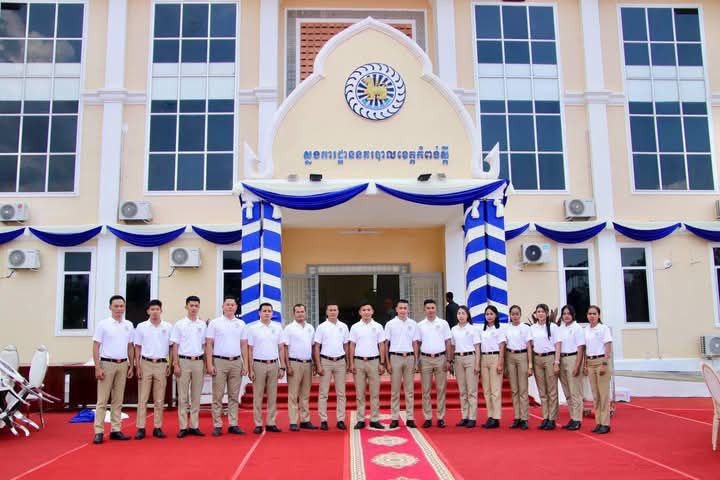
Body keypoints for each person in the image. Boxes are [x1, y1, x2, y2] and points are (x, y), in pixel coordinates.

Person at [92, 295, 134, 444]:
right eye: (116, 306)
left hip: (122, 364)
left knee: (118, 399)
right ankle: (98, 431)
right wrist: (97, 367)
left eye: (121, 306)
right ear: (110, 307)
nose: (119, 309)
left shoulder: (128, 325)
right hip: (107, 364)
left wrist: (131, 365)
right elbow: (96, 346)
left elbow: (130, 346)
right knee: (102, 400)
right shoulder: (103, 324)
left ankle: (116, 429)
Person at [205, 295, 248, 436]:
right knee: (217, 396)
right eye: (227, 304)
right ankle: (217, 425)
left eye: (232, 304)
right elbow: (209, 344)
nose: (230, 307)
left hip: (236, 362)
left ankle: (233, 424)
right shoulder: (215, 323)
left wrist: (245, 364)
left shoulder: (241, 324)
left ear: (236, 307)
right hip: (219, 362)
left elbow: (244, 345)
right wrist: (209, 364)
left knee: (234, 396)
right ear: (223, 307)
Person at [133, 299, 171, 440]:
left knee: (159, 399)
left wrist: (169, 364)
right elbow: (137, 347)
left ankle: (157, 427)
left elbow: (171, 347)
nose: (155, 312)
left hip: (161, 364)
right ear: (148, 311)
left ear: (161, 311)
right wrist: (137, 365)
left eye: (157, 309)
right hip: (145, 364)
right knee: (142, 398)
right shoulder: (141, 327)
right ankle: (141, 427)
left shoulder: (168, 327)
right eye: (152, 309)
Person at [171, 295, 207, 438]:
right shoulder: (179, 324)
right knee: (183, 396)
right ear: (186, 307)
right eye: (191, 305)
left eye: (196, 306)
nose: (194, 308)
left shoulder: (202, 325)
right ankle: (182, 426)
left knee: (196, 396)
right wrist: (175, 364)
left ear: (199, 307)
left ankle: (194, 425)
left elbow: (205, 345)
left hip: (198, 361)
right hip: (183, 361)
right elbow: (175, 345)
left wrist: (206, 363)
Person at [247, 303, 285, 434]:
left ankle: (271, 422)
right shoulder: (253, 328)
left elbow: (281, 348)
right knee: (258, 396)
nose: (267, 313)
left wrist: (282, 366)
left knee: (272, 395)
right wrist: (250, 369)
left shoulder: (277, 327)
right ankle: (258, 423)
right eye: (264, 311)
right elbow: (250, 350)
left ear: (272, 313)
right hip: (258, 364)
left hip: (274, 364)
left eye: (269, 311)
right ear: (259, 313)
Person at [348, 301, 386, 430]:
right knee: (360, 393)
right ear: (360, 312)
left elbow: (381, 345)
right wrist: (351, 363)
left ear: (372, 311)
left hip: (374, 361)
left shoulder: (378, 326)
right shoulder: (355, 327)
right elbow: (352, 345)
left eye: (369, 310)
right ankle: (360, 419)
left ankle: (374, 419)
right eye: (364, 310)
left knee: (375, 393)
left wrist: (382, 362)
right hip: (358, 362)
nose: (366, 312)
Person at [313, 303, 350, 430]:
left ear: (338, 311)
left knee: (341, 393)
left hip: (340, 361)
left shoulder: (343, 326)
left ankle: (341, 420)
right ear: (326, 312)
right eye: (330, 310)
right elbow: (316, 347)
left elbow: (346, 345)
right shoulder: (321, 327)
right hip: (326, 361)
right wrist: (318, 365)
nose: (333, 312)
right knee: (323, 393)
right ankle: (323, 420)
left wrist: (348, 362)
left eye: (335, 310)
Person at [384, 299, 420, 429]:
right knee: (395, 390)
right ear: (396, 309)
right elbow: (386, 344)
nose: (403, 310)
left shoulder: (413, 324)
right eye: (401, 308)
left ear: (408, 309)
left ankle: (410, 418)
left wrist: (416, 361)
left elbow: (415, 343)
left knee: (409, 390)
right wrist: (387, 362)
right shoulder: (390, 324)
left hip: (409, 357)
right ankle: (394, 418)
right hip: (395, 357)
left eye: (405, 308)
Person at [282, 304, 318, 431]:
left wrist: (315, 363)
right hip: (294, 363)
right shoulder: (289, 328)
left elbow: (313, 347)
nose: (300, 314)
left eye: (302, 311)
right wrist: (287, 366)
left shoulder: (310, 328)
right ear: (294, 314)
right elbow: (285, 348)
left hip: (307, 363)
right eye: (297, 312)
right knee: (293, 395)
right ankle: (293, 421)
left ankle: (305, 420)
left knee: (305, 394)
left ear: (305, 313)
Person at [417, 299, 452, 428]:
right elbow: (418, 343)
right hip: (425, 359)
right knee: (425, 390)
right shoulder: (420, 325)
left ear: (436, 309)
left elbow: (448, 342)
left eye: (432, 308)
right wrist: (417, 360)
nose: (430, 310)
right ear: (424, 310)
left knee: (441, 389)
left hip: (440, 358)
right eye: (428, 308)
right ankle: (427, 417)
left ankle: (440, 417)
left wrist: (449, 359)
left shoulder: (443, 323)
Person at [528, 303, 561, 430]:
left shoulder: (553, 327)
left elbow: (558, 345)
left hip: (550, 358)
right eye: (538, 312)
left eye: (542, 311)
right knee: (542, 390)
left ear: (547, 313)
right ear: (535, 314)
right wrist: (531, 364)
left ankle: (552, 418)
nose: (540, 314)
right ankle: (545, 417)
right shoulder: (533, 328)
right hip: (537, 358)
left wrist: (556, 362)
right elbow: (530, 346)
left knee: (552, 390)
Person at [584, 305, 613, 434]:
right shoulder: (586, 330)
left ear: (599, 315)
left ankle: (605, 423)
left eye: (594, 314)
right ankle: (598, 422)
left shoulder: (603, 328)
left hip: (601, 361)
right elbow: (585, 348)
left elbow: (608, 347)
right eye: (590, 314)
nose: (592, 316)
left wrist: (604, 364)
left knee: (603, 394)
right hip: (590, 362)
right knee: (595, 395)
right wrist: (585, 364)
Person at [450, 305, 480, 428]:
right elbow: (452, 346)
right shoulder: (454, 329)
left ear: (467, 315)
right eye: (459, 313)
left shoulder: (473, 329)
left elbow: (477, 348)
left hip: (470, 358)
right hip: (458, 359)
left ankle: (472, 417)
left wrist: (477, 364)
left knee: (471, 390)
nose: (461, 316)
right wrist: (451, 361)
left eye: (463, 313)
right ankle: (464, 416)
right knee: (462, 391)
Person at [504, 304, 533, 430]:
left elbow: (529, 346)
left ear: (520, 315)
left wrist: (530, 364)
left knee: (523, 389)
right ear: (510, 315)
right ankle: (517, 417)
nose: (515, 316)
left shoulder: (525, 328)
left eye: (517, 314)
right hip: (510, 356)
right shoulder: (507, 328)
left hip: (522, 356)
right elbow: (504, 346)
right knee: (514, 389)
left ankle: (524, 418)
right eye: (513, 314)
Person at [558, 304, 586, 431]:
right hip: (562, 359)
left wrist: (578, 365)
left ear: (573, 315)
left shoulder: (577, 328)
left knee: (575, 392)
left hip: (573, 358)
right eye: (564, 314)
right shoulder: (561, 328)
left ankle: (577, 419)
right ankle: (572, 417)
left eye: (568, 313)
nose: (566, 316)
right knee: (567, 392)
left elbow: (581, 348)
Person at [479, 305, 506, 428]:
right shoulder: (482, 330)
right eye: (487, 314)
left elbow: (502, 347)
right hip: (484, 358)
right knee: (487, 390)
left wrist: (500, 362)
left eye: (491, 314)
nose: (489, 316)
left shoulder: (499, 330)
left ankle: (496, 417)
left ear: (496, 315)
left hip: (495, 357)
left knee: (495, 390)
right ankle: (490, 416)